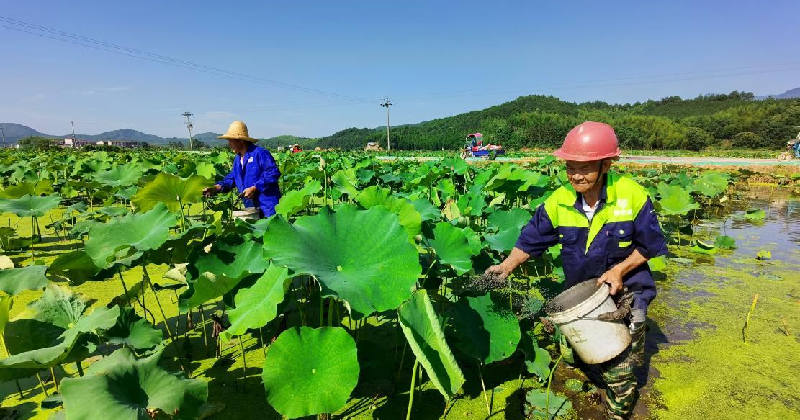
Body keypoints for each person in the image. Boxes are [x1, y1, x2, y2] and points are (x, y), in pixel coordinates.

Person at [485, 121, 668, 420]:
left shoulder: (631, 195)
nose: (576, 175)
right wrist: (507, 266)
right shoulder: (559, 200)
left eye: (584, 168)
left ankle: (618, 411)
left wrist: (620, 269)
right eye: (570, 167)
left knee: (620, 370)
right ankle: (594, 376)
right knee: (582, 356)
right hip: (583, 297)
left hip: (626, 295)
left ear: (606, 164)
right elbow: (532, 240)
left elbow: (650, 245)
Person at [203, 120, 281, 218]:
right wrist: (215, 188)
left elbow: (273, 172)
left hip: (268, 207)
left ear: (241, 141)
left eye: (231, 140)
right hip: (251, 207)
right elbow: (231, 179)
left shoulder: (260, 153)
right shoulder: (237, 159)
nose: (229, 144)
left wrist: (255, 188)